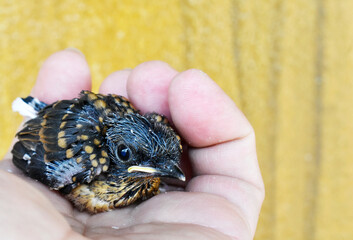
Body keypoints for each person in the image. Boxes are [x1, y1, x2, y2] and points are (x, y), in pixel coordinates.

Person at [0, 49, 264, 240]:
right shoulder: (86, 158)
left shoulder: (149, 178)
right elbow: (26, 150)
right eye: (125, 154)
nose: (160, 174)